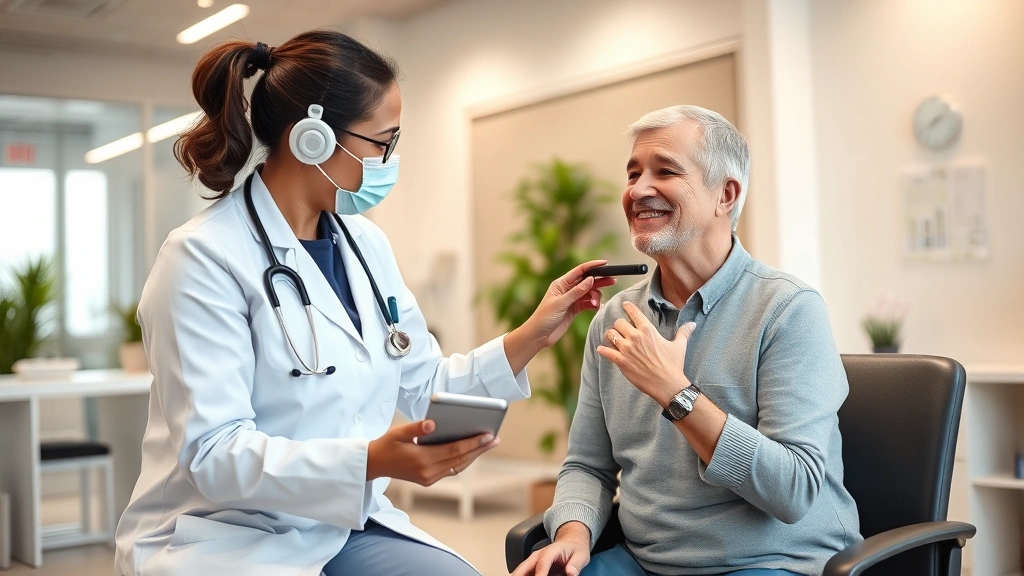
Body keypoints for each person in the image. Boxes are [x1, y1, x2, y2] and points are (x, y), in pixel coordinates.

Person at [114, 31, 614, 576]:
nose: (388, 160)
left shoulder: (365, 245)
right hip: (223, 535)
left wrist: (533, 335)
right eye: (382, 141)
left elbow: (423, 389)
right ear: (312, 138)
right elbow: (214, 455)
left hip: (340, 522)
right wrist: (371, 460)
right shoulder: (202, 257)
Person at [513, 105, 861, 576]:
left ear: (726, 194)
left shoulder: (789, 310)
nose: (637, 190)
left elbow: (793, 489)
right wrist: (573, 534)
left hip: (771, 561)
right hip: (646, 562)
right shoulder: (614, 317)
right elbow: (587, 466)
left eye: (666, 171)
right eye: (633, 173)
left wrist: (676, 393)